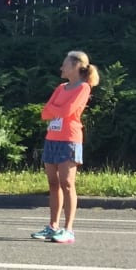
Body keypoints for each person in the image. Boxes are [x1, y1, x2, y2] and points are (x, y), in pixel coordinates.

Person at [32, 50, 98, 245]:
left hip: (69, 139)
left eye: (65, 64)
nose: (61, 67)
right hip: (52, 138)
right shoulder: (61, 88)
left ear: (76, 66)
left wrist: (56, 110)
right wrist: (57, 110)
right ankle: (52, 226)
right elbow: (45, 112)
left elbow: (68, 111)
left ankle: (68, 229)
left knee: (67, 183)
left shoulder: (83, 88)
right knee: (53, 183)